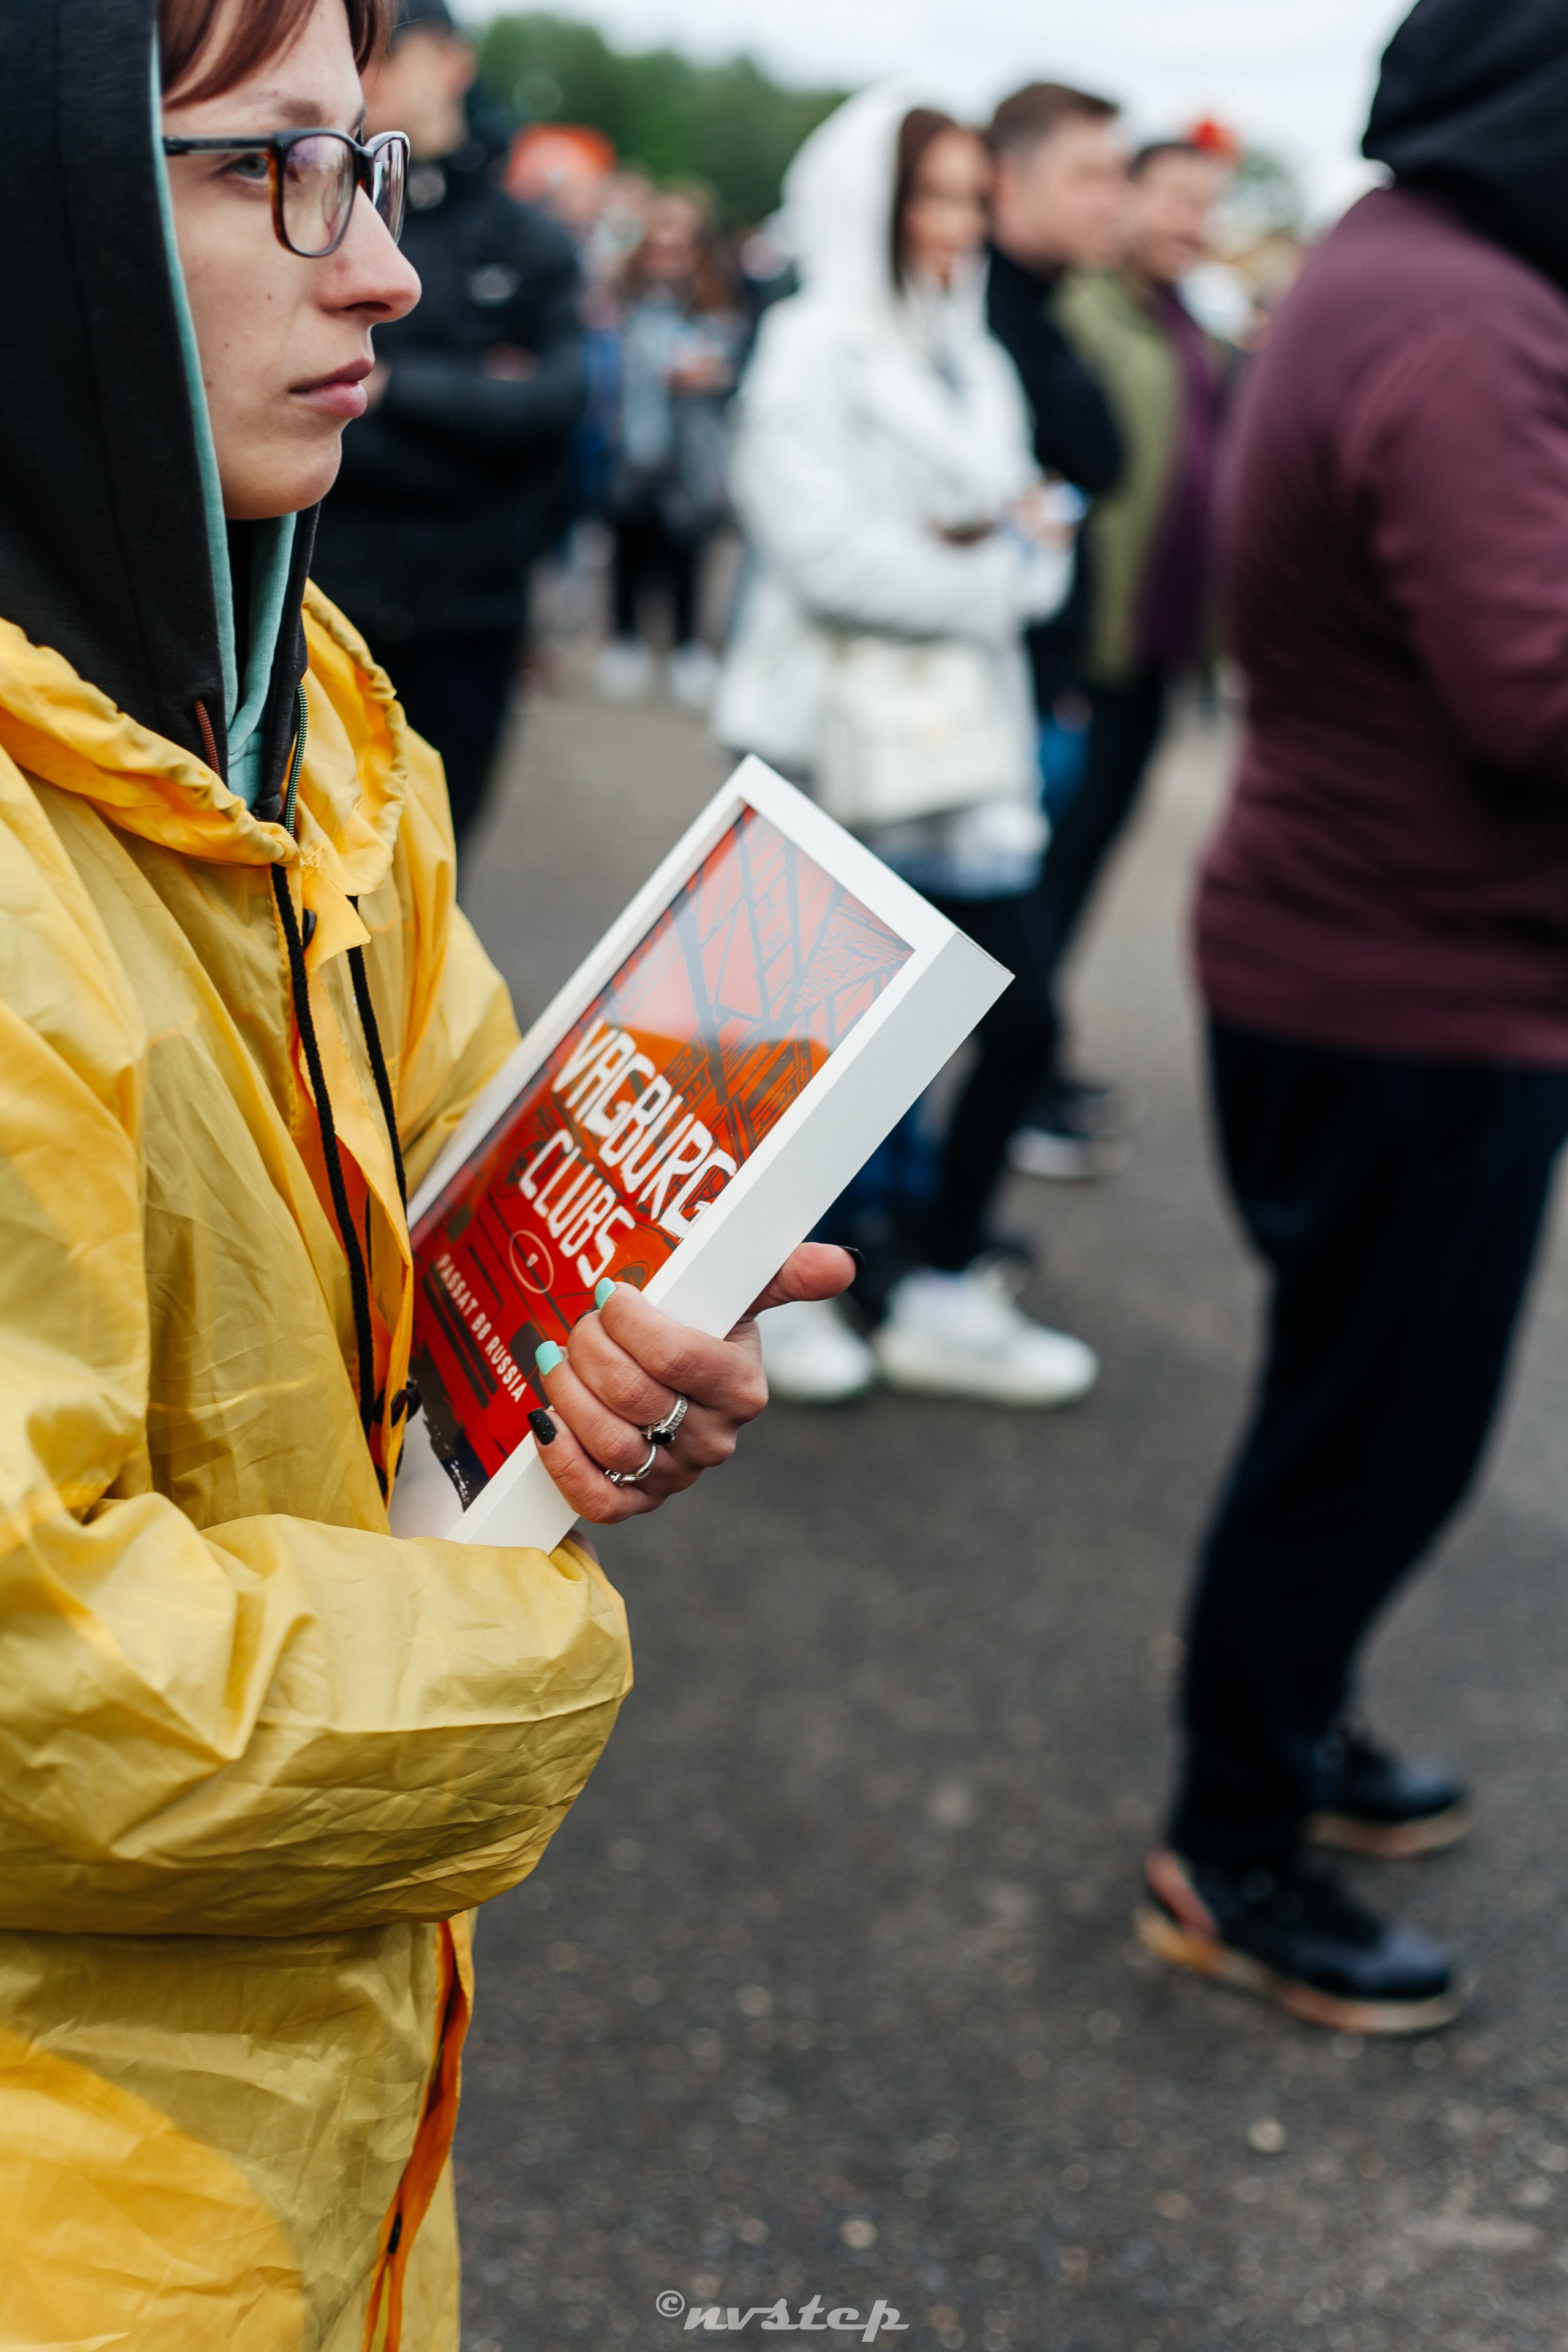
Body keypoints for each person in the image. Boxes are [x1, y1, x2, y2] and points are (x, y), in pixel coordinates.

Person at [0, 0, 854, 2335]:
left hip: (294, 2096)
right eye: (269, 173)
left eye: (372, 169)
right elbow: (35, 1669)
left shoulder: (305, 693)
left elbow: (444, 1217)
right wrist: (522, 1634)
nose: (378, 268)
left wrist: (579, 1371)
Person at [1136, 0, 1568, 2035]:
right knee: (1370, 1443)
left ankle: (1294, 1730)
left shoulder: (1400, 261)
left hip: (1355, 955)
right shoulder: (1475, 314)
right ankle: (1228, 1853)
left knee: (1351, 1408)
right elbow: (1533, 686)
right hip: (1412, 984)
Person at [716, 87, 1099, 1409]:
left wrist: (997, 553)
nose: (952, 225)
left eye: (964, 196)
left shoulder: (972, 356)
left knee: (1010, 1015)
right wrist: (998, 562)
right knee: (811, 1046)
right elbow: (824, 558)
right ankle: (788, 1282)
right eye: (927, 195)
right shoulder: (811, 346)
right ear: (866, 203)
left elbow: (1038, 535)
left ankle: (927, 1276)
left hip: (962, 755)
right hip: (837, 750)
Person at [1009, 135, 1233, 1180]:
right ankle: (1018, 1077)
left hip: (1156, 656)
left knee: (1083, 875)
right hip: (1088, 657)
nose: (1194, 225)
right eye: (1177, 202)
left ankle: (1033, 1060)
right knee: (1040, 884)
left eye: (1209, 208)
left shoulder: (1190, 327)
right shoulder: (1086, 319)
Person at [311, 0, 584, 850]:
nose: (371, 72)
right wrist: (468, 405)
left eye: (393, 51)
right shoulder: (318, 212)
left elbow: (551, 411)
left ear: (454, 66)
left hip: (471, 617)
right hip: (329, 606)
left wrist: (390, 388)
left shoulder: (530, 240)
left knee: (438, 862)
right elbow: (297, 416)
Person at [984, 82, 1127, 720]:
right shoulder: (974, 327)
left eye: (1118, 178)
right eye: (1087, 178)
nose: (1112, 203)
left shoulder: (1051, 310)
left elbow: (1104, 463)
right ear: (1009, 183)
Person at [595, 187, 747, 712]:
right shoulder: (621, 300)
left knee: (687, 552)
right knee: (627, 548)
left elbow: (736, 373)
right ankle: (624, 639)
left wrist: (716, 375)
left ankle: (687, 647)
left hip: (689, 455)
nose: (667, 250)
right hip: (629, 447)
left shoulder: (718, 303)